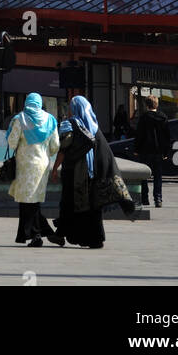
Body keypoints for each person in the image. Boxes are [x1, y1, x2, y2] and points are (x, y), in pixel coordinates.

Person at [50, 95, 118, 249]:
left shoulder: (70, 124)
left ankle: (62, 234)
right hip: (92, 171)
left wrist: (55, 169)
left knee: (69, 202)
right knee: (91, 205)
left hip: (73, 171)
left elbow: (63, 150)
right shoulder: (94, 125)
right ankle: (95, 238)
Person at [7, 93, 63, 247]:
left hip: (25, 166)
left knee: (27, 201)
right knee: (34, 200)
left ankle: (36, 235)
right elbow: (55, 146)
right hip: (42, 165)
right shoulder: (50, 120)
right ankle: (41, 233)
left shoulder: (20, 119)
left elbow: (12, 142)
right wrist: (45, 153)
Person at [134, 95, 170, 208]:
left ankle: (145, 198)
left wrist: (136, 149)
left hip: (145, 150)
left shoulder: (143, 117)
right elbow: (166, 136)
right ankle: (158, 198)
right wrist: (166, 152)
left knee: (144, 175)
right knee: (158, 175)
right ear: (156, 104)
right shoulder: (163, 117)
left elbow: (139, 135)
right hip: (158, 151)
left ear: (146, 104)